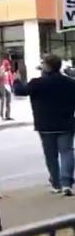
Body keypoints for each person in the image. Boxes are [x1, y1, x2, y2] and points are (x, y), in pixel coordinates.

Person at [15, 54, 75, 196]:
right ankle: (67, 183)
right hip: (66, 123)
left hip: (45, 125)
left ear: (47, 67)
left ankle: (56, 184)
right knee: (66, 152)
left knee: (51, 155)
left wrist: (17, 80)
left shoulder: (37, 83)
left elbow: (20, 91)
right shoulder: (70, 83)